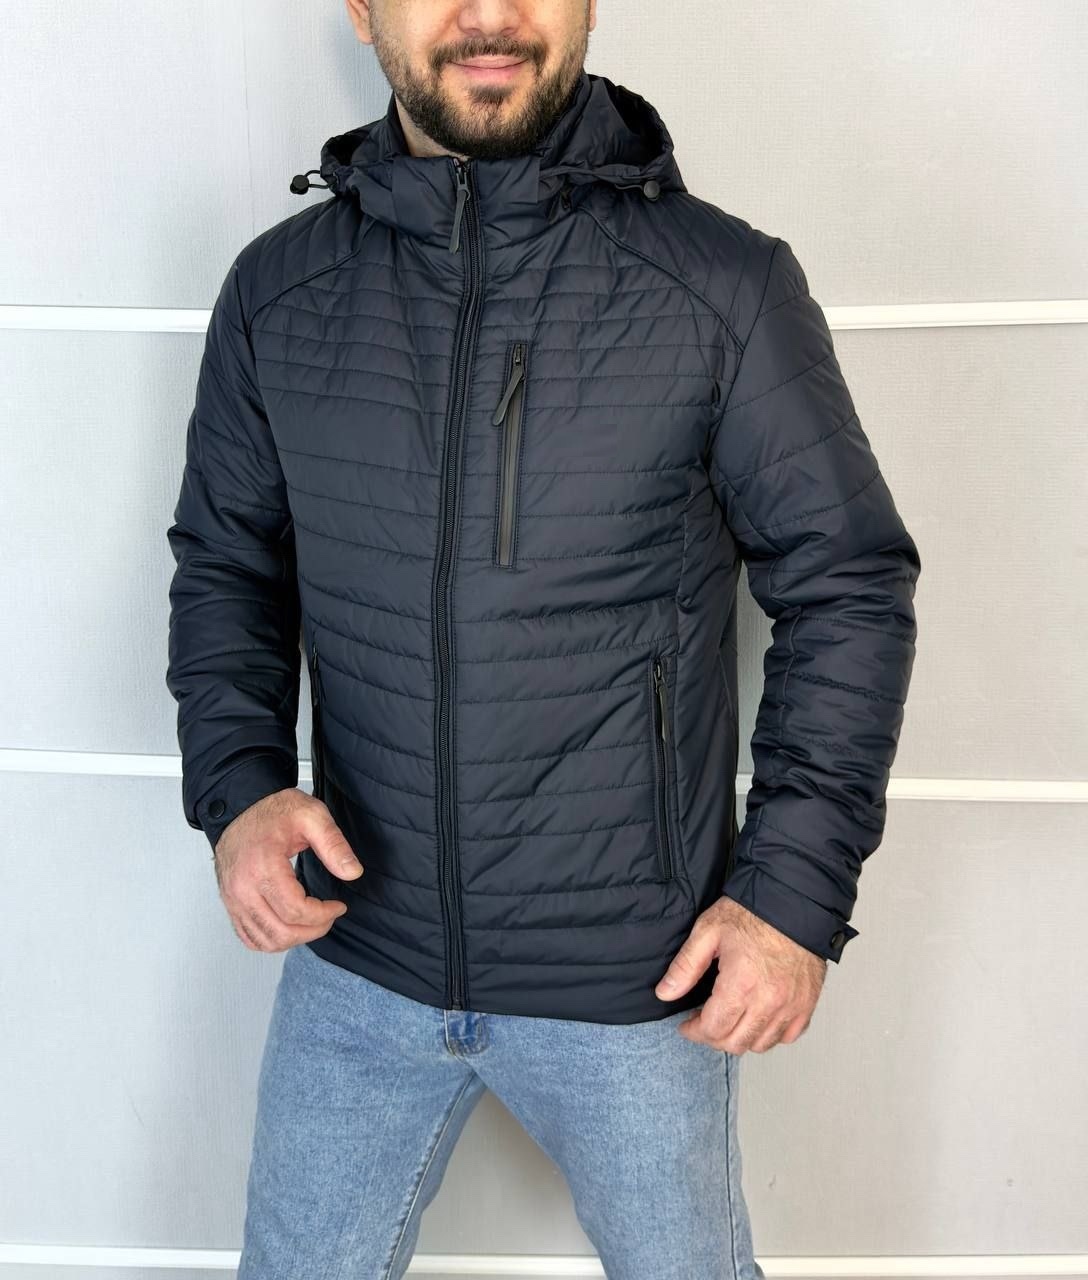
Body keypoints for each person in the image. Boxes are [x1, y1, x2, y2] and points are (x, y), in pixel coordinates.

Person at [165, 1, 921, 1276]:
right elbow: (227, 565)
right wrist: (237, 792)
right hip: (359, 963)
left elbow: (846, 586)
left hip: (634, 988)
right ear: (360, 8)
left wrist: (788, 901)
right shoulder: (276, 293)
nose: (489, 15)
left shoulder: (722, 287)